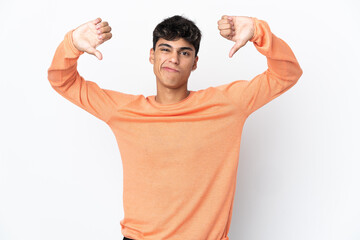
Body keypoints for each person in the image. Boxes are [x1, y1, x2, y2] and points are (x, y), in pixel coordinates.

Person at [48, 14, 302, 240]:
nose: (173, 59)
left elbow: (287, 74)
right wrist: (71, 43)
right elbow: (62, 81)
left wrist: (258, 31)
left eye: (184, 52)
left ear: (195, 62)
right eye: (165, 49)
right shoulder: (123, 111)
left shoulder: (226, 105)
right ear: (152, 55)